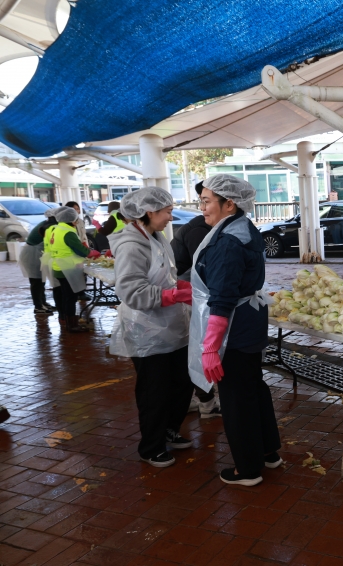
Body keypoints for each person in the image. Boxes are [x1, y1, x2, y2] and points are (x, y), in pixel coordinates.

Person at [189, 174, 280, 487]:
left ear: (229, 203)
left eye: (207, 201)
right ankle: (269, 452)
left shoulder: (228, 241)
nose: (202, 208)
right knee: (253, 388)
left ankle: (248, 469)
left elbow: (224, 296)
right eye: (201, 201)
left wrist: (211, 346)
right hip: (250, 322)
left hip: (235, 329)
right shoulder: (243, 228)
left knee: (236, 399)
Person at [109, 187, 194, 468]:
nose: (171, 217)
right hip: (145, 329)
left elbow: (166, 277)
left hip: (170, 325)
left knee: (181, 383)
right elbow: (132, 292)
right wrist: (174, 295)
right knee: (154, 390)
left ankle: (170, 429)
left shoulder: (158, 237)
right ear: (150, 212)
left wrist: (183, 287)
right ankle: (151, 446)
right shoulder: (132, 244)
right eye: (167, 211)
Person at [171, 182, 219, 418]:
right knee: (198, 348)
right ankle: (206, 402)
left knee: (198, 348)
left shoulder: (209, 227)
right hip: (190, 294)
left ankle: (201, 399)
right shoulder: (200, 230)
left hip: (192, 292)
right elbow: (204, 270)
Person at [43, 206, 99, 332]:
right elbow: (80, 250)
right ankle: (72, 325)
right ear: (73, 220)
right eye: (76, 219)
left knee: (65, 296)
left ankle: (67, 320)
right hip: (68, 268)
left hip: (58, 266)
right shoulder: (68, 232)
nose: (77, 221)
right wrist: (92, 253)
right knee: (70, 298)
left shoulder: (57, 229)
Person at [20, 207, 59, 315]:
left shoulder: (47, 223)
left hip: (36, 253)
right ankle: (38, 306)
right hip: (32, 254)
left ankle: (43, 303)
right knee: (36, 281)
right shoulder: (49, 226)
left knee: (41, 280)